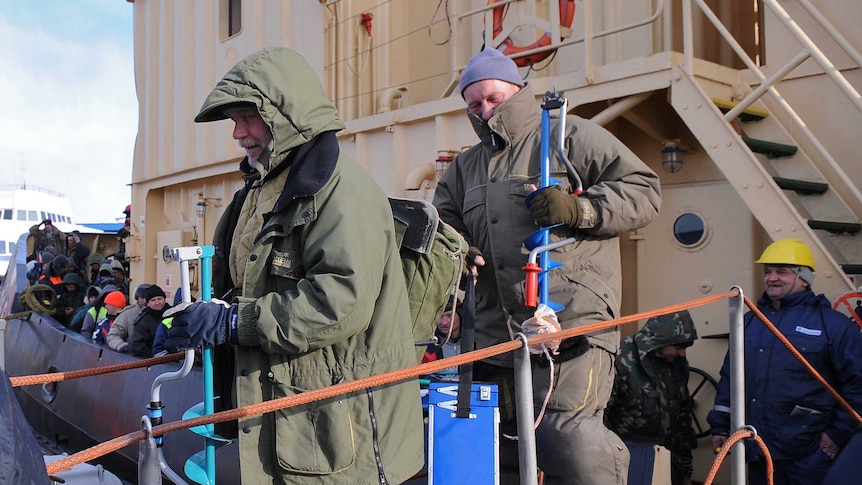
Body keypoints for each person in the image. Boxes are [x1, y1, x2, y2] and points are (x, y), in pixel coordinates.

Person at [160, 47, 423, 484]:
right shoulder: (258, 192)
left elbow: (340, 303)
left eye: (248, 117)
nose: (238, 133)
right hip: (288, 412)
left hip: (338, 425)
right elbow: (242, 283)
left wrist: (232, 325)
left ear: (286, 115)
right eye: (235, 120)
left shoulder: (342, 193)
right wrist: (187, 318)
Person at [432, 47, 661, 484]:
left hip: (571, 320)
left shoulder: (569, 137)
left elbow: (644, 190)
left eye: (494, 98)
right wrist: (456, 271)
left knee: (565, 435)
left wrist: (582, 211)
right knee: (500, 445)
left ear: (517, 91)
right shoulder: (465, 167)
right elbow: (444, 226)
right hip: (495, 329)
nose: (484, 110)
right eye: (474, 104)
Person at [707, 238, 862, 485]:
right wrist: (720, 427)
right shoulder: (749, 322)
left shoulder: (833, 326)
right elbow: (731, 377)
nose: (772, 278)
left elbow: (857, 386)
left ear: (804, 278)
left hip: (811, 454)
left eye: (782, 272)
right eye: (768, 272)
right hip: (759, 448)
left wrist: (834, 436)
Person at [605, 310, 699, 485]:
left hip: (667, 460)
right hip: (627, 462)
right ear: (658, 342)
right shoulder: (620, 359)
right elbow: (600, 418)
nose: (682, 354)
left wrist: (686, 468)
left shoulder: (677, 365)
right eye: (678, 347)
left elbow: (683, 416)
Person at [107, 284, 152, 353]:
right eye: (142, 298)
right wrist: (121, 345)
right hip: (133, 356)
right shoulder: (127, 314)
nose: (145, 301)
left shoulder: (161, 312)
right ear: (137, 298)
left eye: (148, 298)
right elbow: (113, 335)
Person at [128, 285, 171, 358]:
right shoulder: (143, 321)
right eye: (153, 300)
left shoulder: (173, 314)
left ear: (164, 299)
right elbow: (136, 346)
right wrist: (155, 355)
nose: (157, 303)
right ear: (147, 303)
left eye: (159, 299)